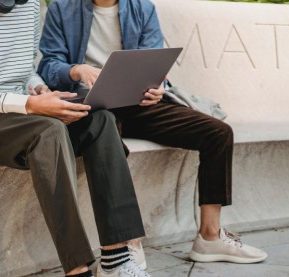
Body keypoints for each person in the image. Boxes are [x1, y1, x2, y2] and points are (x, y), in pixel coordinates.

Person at [38, 0, 268, 274]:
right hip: (93, 106)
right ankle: (126, 241)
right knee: (107, 133)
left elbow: (157, 65)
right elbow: (49, 67)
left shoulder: (142, 8)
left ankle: (210, 236)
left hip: (137, 103)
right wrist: (76, 70)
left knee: (217, 132)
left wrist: (159, 86)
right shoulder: (62, 8)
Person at [0, 0, 150, 276]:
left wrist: (41, 90)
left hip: (20, 110)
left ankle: (117, 259)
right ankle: (78, 269)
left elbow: (25, 71)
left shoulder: (31, 4)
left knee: (100, 120)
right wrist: (29, 106)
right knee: (50, 131)